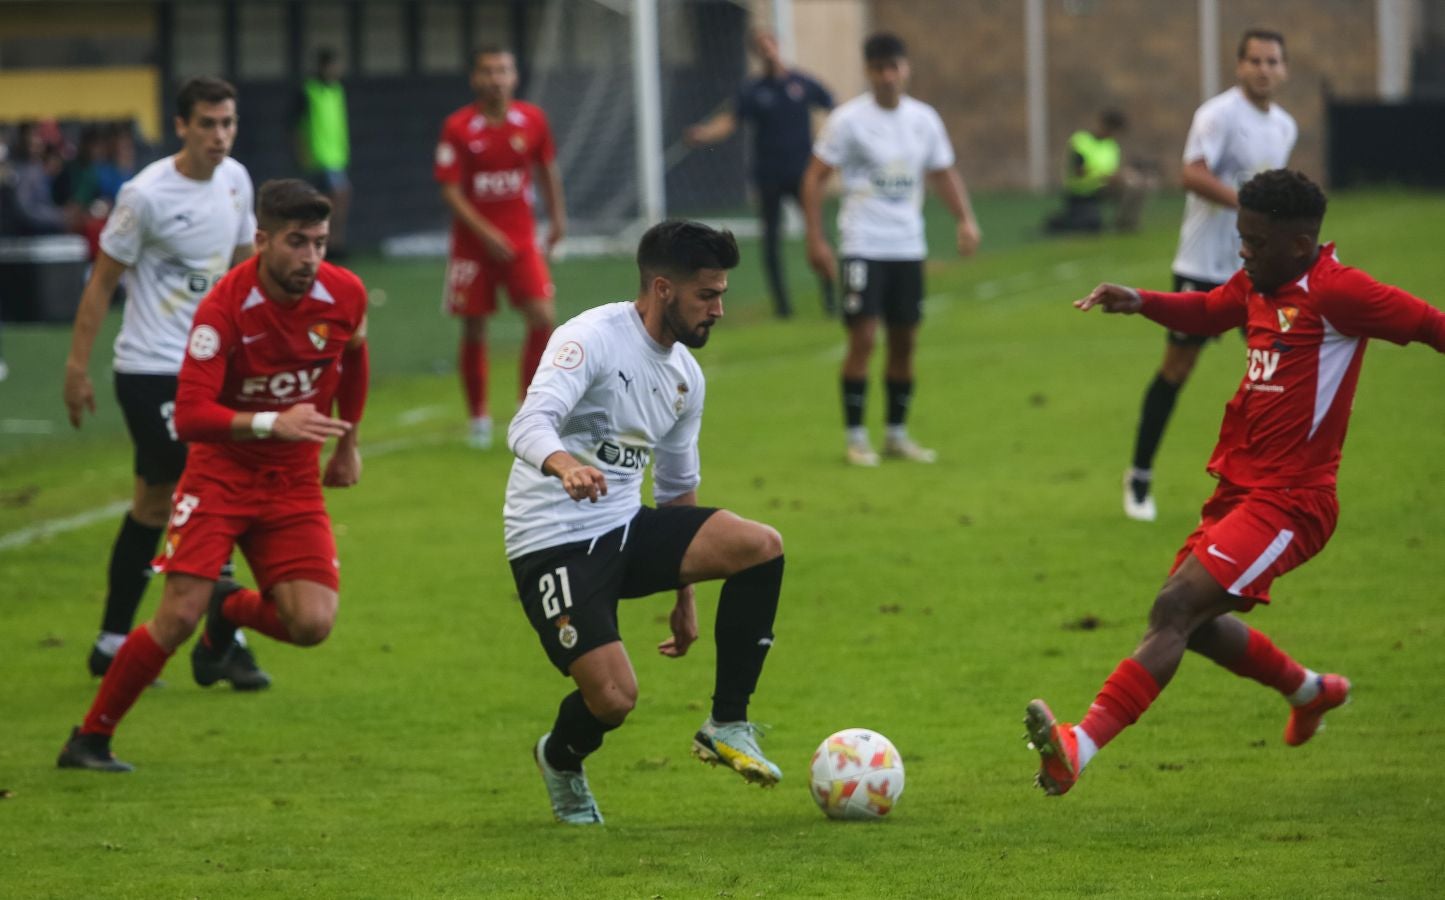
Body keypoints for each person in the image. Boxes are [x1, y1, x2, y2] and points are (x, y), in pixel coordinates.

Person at [1025, 169, 1445, 797]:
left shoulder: (1339, 292)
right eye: (1240, 236)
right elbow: (1208, 309)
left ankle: (1077, 746)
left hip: (1293, 502)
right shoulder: (1257, 282)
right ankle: (1310, 692)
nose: (1242, 250)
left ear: (1300, 244)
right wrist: (1142, 300)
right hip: (1240, 491)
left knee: (1172, 609)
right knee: (1193, 628)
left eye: (1254, 239)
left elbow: (1431, 325)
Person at [57, 178, 371, 772]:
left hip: (292, 482)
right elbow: (195, 415)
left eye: (320, 243)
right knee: (176, 615)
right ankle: (89, 738)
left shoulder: (344, 293)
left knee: (311, 623)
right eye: (297, 242)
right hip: (219, 477)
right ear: (261, 241)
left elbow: (353, 356)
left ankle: (227, 611)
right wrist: (270, 423)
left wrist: (347, 443)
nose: (310, 258)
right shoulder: (224, 308)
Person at [506, 220, 786, 824]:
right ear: (663, 288)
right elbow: (528, 424)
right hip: (553, 541)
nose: (718, 308)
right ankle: (560, 757)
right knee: (613, 699)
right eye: (705, 296)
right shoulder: (589, 339)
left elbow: (679, 489)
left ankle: (727, 723)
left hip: (627, 527)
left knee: (760, 545)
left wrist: (683, 594)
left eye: (721, 295)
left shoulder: (686, 374)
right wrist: (564, 466)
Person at [62, 77, 268, 686]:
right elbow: (101, 284)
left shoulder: (236, 181)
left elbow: (238, 278)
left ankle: (110, 640)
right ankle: (219, 643)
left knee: (153, 504)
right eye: (207, 123)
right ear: (180, 125)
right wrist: (77, 368)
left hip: (211, 373)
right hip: (152, 372)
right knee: (210, 494)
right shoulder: (144, 195)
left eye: (227, 123)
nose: (219, 135)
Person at [1124, 29, 1295, 521]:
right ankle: (1139, 476)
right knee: (1177, 370)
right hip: (1202, 267)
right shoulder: (1217, 115)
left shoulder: (1285, 126)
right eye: (1255, 61)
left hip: (1257, 272)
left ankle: (1270, 483)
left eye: (1272, 62)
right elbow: (1192, 174)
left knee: (1276, 371)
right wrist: (1251, 206)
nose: (1264, 69)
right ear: (1239, 66)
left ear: (1283, 69)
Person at [801, 32, 981, 467]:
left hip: (907, 246)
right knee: (863, 338)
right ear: (868, 72)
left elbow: (942, 172)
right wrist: (816, 237)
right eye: (878, 69)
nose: (887, 76)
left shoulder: (924, 119)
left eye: (893, 67)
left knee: (904, 341)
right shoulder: (847, 121)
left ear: (905, 68)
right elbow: (814, 178)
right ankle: (856, 437)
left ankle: (897, 434)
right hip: (863, 244)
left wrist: (965, 219)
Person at [435, 45, 567, 449]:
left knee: (543, 317)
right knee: (475, 326)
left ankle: (528, 406)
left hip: (521, 238)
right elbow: (450, 189)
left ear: (514, 76)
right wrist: (486, 233)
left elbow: (546, 168)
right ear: (475, 78)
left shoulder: (532, 120)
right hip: (473, 247)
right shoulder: (458, 127)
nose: (495, 78)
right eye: (488, 71)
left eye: (503, 70)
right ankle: (478, 418)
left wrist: (559, 217)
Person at [683, 29, 834, 319]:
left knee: (818, 233)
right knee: (771, 242)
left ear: (779, 46)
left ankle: (830, 296)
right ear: (757, 53)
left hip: (803, 175)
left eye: (770, 44)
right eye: (760, 47)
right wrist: (703, 134)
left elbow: (833, 107)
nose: (767, 51)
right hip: (769, 176)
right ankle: (782, 307)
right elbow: (729, 122)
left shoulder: (801, 83)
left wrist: (831, 152)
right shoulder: (752, 91)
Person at [1044, 109, 1155, 234]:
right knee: (1091, 224)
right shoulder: (1081, 140)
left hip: (1103, 188)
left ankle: (1126, 224)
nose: (1112, 134)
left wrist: (1120, 175)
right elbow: (1078, 171)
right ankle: (1058, 222)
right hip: (1081, 190)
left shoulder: (1112, 146)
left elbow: (1112, 170)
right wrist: (1104, 176)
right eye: (1111, 129)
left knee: (1139, 184)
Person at [294, 48, 351, 260]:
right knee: (330, 201)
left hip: (337, 156)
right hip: (320, 157)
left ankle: (333, 243)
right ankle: (327, 244)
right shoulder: (308, 91)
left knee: (339, 199)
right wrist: (303, 153)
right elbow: (296, 127)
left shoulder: (336, 90)